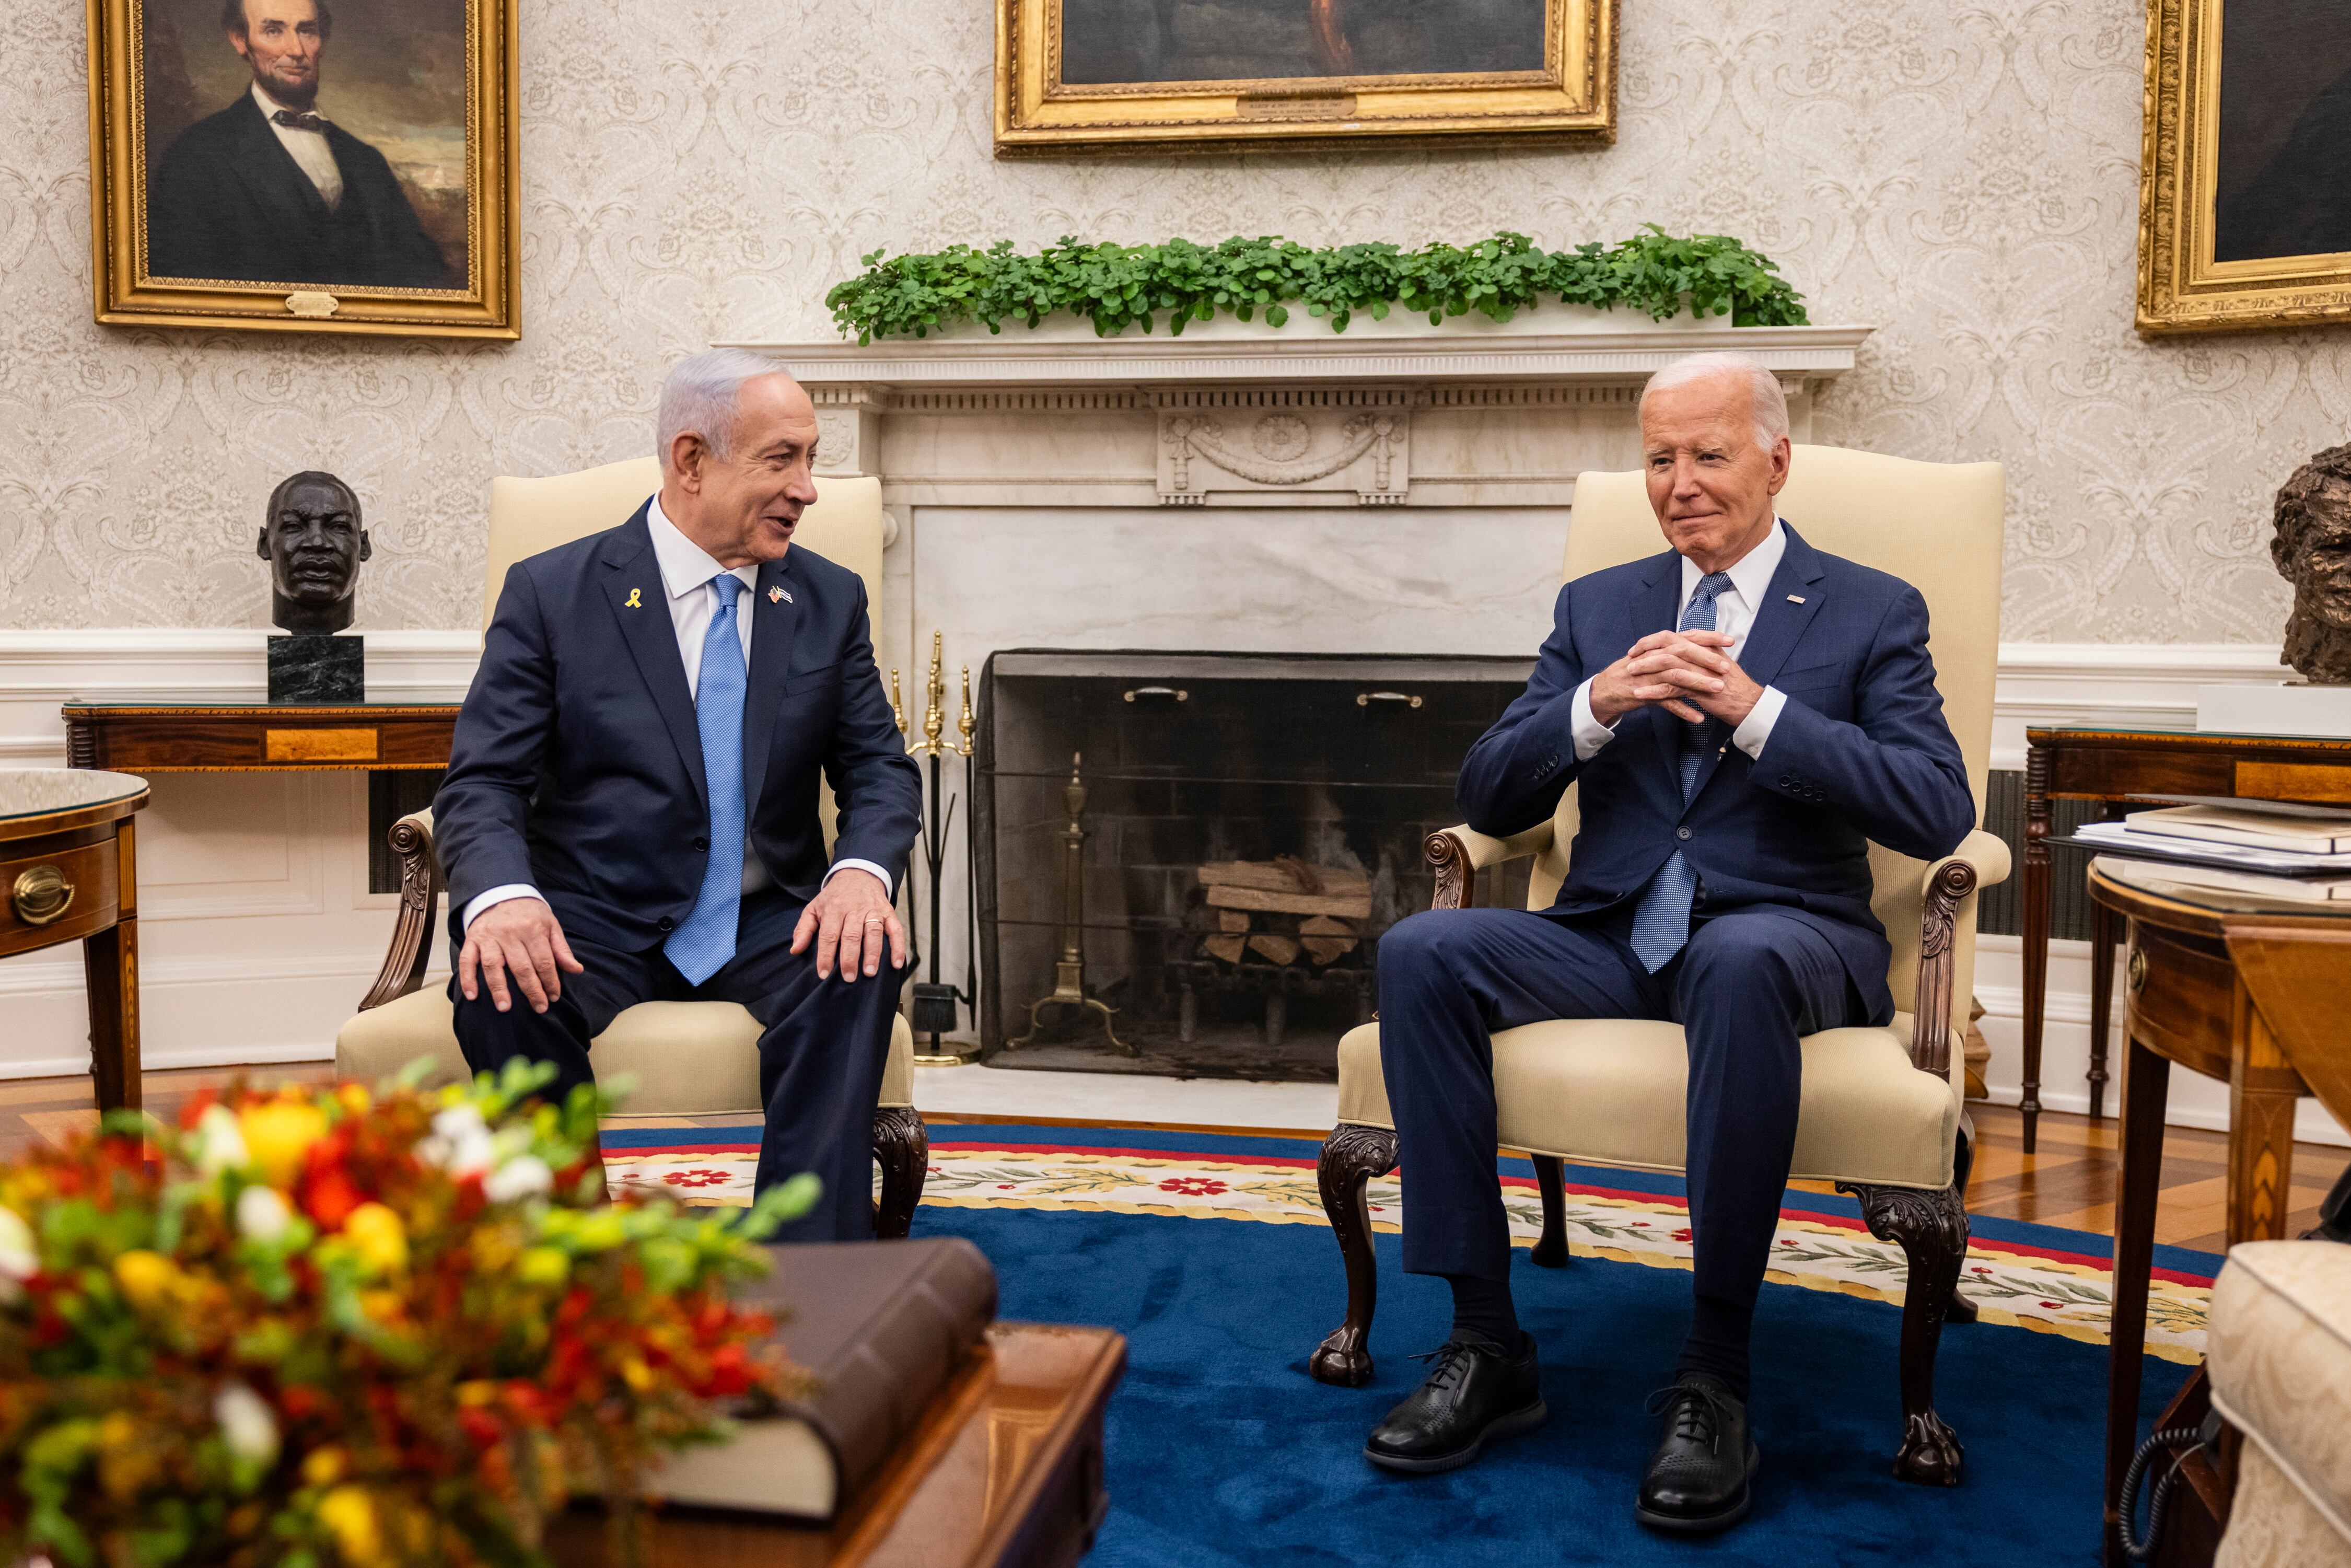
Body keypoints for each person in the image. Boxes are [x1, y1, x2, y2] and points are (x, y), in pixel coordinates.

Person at [1364, 351, 1974, 1531]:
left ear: (1774, 461)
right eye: (1657, 457)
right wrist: (1593, 707)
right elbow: (1486, 793)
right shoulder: (1599, 605)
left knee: (1737, 961)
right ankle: (1485, 1341)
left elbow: (1933, 802)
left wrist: (1760, 714)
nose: (1678, 481)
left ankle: (1712, 1371)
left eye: (1707, 453)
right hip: (1610, 939)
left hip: (1782, 938)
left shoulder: (1866, 607)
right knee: (1418, 952)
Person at [434, 349, 922, 1242]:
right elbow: (485, 780)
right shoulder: (552, 593)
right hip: (594, 913)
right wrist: (503, 898)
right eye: (783, 460)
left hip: (771, 913)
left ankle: (808, 1281)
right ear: (692, 460)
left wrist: (860, 873)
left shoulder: (826, 598)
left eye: (811, 460)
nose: (808, 489)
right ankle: (569, 1273)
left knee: (861, 952)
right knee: (499, 978)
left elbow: (879, 768)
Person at [147, 0, 452, 289]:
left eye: (307, 30)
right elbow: (179, 284)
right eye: (273, 31)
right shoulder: (195, 155)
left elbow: (424, 274)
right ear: (240, 40)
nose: (296, 50)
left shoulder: (366, 160)